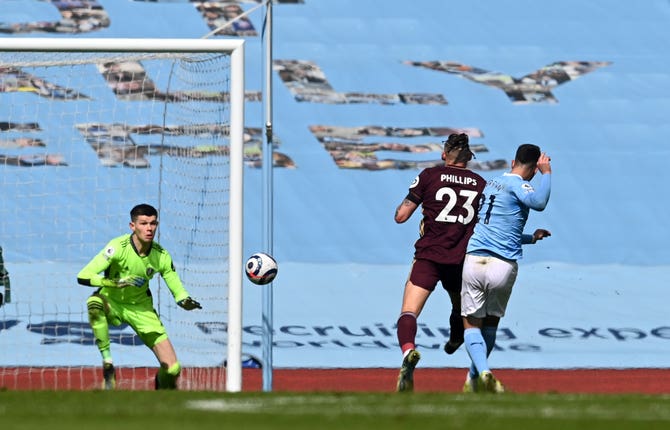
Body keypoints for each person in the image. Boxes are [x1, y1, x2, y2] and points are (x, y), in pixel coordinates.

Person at [394, 133, 486, 392]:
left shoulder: (429, 176)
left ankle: (408, 351)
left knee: (409, 311)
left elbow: (401, 216)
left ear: (444, 154)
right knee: (461, 310)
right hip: (460, 259)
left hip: (429, 255)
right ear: (468, 158)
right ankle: (458, 342)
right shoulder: (480, 183)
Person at [77, 203, 202, 390]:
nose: (149, 228)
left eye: (153, 223)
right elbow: (84, 275)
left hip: (142, 309)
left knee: (173, 369)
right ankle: (108, 364)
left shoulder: (161, 255)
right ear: (132, 226)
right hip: (112, 301)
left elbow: (175, 285)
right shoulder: (117, 247)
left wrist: (184, 300)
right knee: (94, 303)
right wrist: (113, 283)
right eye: (143, 223)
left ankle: (162, 389)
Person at [460, 144, 552, 393]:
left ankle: (477, 377)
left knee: (470, 325)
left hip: (474, 260)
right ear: (533, 169)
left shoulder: (492, 183)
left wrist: (531, 237)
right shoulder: (521, 185)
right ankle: (480, 375)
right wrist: (548, 173)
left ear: (512, 161)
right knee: (489, 324)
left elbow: (499, 228)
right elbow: (539, 202)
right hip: (502, 264)